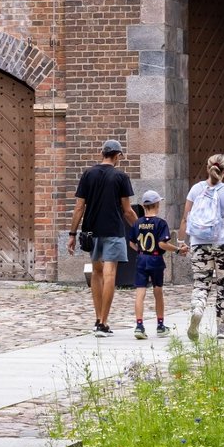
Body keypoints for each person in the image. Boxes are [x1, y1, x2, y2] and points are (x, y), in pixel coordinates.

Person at [178, 152, 224, 340]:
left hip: (199, 244)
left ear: (207, 167)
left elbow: (186, 218)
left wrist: (181, 242)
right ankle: (221, 329)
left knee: (201, 283)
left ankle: (198, 308)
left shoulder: (196, 190)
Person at [66, 139, 134, 336]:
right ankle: (104, 322)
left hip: (91, 231)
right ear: (117, 155)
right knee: (110, 274)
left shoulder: (88, 174)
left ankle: (97, 319)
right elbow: (128, 211)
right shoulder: (121, 177)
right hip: (113, 231)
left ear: (102, 153)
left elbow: (79, 207)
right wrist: (140, 228)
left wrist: (72, 234)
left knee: (96, 272)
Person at [128, 190, 180, 339]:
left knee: (140, 292)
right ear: (156, 205)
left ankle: (139, 325)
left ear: (144, 206)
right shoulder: (160, 223)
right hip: (156, 259)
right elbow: (162, 244)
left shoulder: (137, 223)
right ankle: (160, 325)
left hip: (141, 259)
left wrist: (141, 251)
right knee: (158, 292)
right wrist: (176, 250)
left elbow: (132, 242)